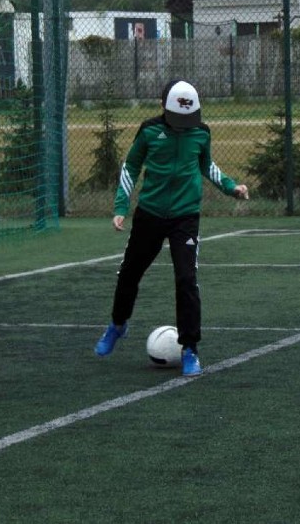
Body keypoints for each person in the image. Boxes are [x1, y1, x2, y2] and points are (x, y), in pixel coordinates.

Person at [93, 79, 249, 376]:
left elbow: (207, 166)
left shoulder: (201, 133)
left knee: (186, 279)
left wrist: (232, 188)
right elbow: (130, 166)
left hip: (185, 216)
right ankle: (117, 325)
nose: (183, 126)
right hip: (149, 214)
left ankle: (190, 347)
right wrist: (120, 207)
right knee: (129, 273)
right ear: (163, 107)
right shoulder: (149, 130)